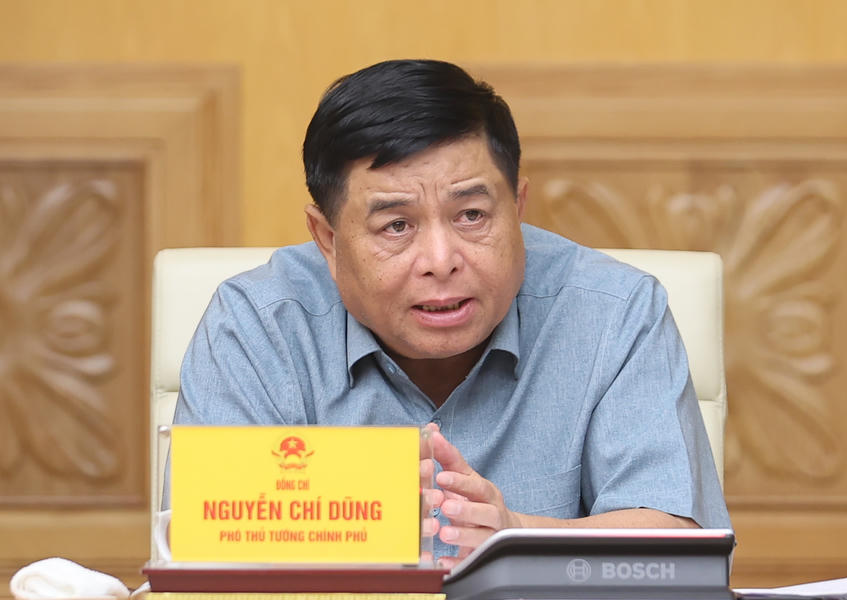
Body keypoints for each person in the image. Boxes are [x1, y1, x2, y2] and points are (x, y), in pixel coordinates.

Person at [173, 59, 731, 565]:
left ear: (517, 208)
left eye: (471, 215)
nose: (441, 261)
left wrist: (516, 537)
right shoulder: (257, 327)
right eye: (397, 225)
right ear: (328, 238)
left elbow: (682, 556)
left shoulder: (614, 313)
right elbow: (207, 559)